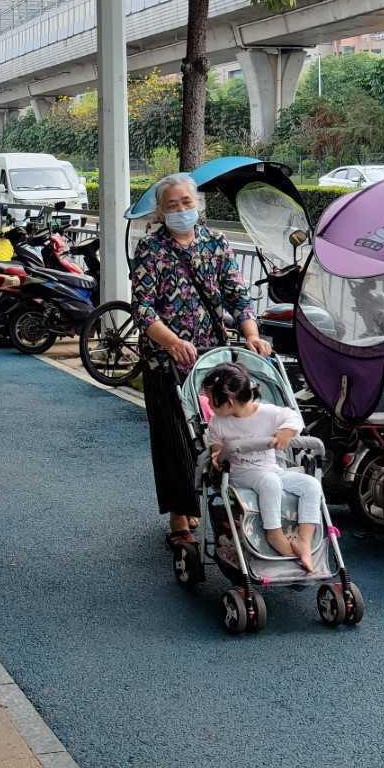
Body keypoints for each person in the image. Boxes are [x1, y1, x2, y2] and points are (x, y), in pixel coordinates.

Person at [131, 171, 273, 548]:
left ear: (198, 205)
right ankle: (180, 518)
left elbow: (237, 297)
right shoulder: (151, 249)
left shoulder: (216, 243)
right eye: (172, 205)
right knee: (174, 439)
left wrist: (252, 336)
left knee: (221, 433)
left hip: (211, 359)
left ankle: (231, 506)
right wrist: (171, 340)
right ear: (160, 213)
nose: (180, 210)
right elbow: (143, 308)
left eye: (186, 203)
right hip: (166, 360)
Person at [201, 362, 321, 572]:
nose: (208, 404)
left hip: (270, 468)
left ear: (229, 402)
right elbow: (215, 445)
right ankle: (273, 533)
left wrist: (286, 432)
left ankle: (304, 539)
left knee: (311, 485)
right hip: (240, 474)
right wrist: (217, 453)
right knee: (270, 481)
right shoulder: (218, 423)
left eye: (210, 400)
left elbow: (293, 417)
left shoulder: (268, 413)